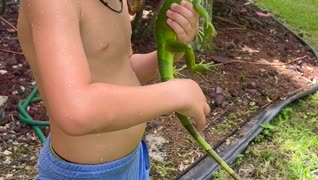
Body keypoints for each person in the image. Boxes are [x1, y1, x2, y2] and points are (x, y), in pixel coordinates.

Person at [17, 0, 210, 179]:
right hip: (88, 174)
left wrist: (171, 51)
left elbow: (120, 70)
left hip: (133, 160)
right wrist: (173, 94)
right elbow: (75, 111)